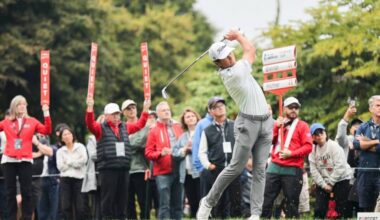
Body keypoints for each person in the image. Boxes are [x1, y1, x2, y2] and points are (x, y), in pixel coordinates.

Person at [196, 29, 273, 220]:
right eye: (224, 56)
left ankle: (255, 214)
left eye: (229, 52)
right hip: (248, 123)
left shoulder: (237, 66)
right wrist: (238, 37)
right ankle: (208, 202)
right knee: (235, 168)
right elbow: (251, 50)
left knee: (260, 170)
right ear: (218, 63)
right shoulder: (234, 73)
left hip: (265, 121)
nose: (230, 56)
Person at [85, 98, 150, 219]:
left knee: (122, 200)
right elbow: (90, 124)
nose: (116, 117)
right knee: (108, 200)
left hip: (124, 169)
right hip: (108, 169)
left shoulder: (125, 127)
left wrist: (145, 109)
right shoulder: (100, 128)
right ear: (106, 116)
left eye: (117, 114)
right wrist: (90, 108)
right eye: (113, 114)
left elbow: (140, 124)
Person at [0, 95, 52, 220]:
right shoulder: (6, 122)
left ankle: (27, 217)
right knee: (10, 191)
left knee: (27, 192)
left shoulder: (32, 121)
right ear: (14, 107)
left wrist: (46, 111)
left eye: (24, 104)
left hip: (25, 159)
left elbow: (47, 130)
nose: (22, 106)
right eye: (19, 104)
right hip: (9, 159)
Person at [261, 96, 312, 218]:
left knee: (292, 202)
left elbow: (308, 147)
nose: (294, 110)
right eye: (290, 107)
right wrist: (276, 127)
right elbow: (268, 142)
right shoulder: (278, 123)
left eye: (296, 108)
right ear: (284, 109)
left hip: (293, 168)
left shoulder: (303, 125)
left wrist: (292, 153)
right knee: (266, 199)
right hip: (274, 166)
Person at [198, 97, 241, 218]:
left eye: (222, 105)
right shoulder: (207, 130)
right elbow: (202, 151)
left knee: (235, 199)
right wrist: (208, 165)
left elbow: (243, 144)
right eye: (216, 107)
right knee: (218, 201)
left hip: (234, 168)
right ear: (210, 111)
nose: (220, 108)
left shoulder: (235, 125)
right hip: (216, 169)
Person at [145, 101, 183, 220]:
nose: (167, 111)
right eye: (163, 110)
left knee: (178, 204)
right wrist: (161, 153)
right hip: (162, 173)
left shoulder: (178, 127)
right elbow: (148, 153)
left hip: (179, 169)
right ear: (157, 114)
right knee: (164, 205)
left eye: (168, 109)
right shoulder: (154, 130)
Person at [309, 123, 352, 218]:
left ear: (325, 133)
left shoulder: (334, 146)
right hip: (323, 182)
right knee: (319, 209)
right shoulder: (312, 151)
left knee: (341, 210)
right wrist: (324, 185)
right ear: (312, 137)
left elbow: (340, 166)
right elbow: (314, 171)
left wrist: (331, 183)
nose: (319, 135)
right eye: (316, 134)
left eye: (321, 132)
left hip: (341, 179)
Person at [121, 99, 154, 219]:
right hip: (125, 170)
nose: (131, 110)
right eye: (128, 109)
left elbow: (143, 143)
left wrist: (128, 144)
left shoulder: (146, 125)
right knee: (128, 203)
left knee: (144, 202)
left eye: (133, 107)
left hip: (142, 169)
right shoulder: (121, 127)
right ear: (123, 112)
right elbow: (120, 147)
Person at [172, 107, 201, 218]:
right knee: (192, 200)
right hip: (186, 174)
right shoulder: (183, 136)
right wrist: (184, 149)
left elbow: (207, 150)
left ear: (197, 118)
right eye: (187, 117)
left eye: (192, 116)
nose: (190, 118)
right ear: (184, 120)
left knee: (201, 199)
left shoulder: (202, 132)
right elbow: (174, 152)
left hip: (200, 172)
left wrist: (192, 149)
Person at [353, 95, 380, 211]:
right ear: (370, 109)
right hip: (364, 172)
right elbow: (356, 145)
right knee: (366, 209)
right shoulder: (363, 127)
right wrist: (376, 141)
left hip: (379, 172)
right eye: (378, 105)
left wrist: (366, 143)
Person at [56, 127, 88, 220]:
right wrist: (75, 162)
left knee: (81, 207)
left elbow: (83, 160)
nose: (67, 136)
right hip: (65, 180)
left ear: (72, 135)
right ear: (61, 138)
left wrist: (68, 162)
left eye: (69, 134)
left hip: (79, 179)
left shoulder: (80, 147)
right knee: (65, 206)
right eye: (64, 135)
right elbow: (61, 167)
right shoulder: (60, 151)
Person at [38, 123, 68, 220]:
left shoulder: (58, 149)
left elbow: (51, 152)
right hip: (41, 180)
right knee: (42, 211)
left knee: (55, 211)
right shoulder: (48, 145)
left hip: (55, 181)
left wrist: (36, 143)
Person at [192, 99, 214, 198]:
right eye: (214, 107)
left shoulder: (226, 122)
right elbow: (196, 146)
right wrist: (201, 168)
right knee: (207, 197)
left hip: (222, 167)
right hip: (206, 167)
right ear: (209, 109)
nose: (218, 109)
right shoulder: (202, 124)